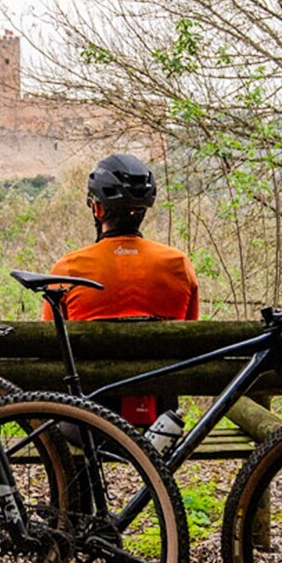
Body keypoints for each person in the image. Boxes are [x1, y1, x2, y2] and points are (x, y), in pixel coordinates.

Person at [41, 154, 199, 425]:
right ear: (144, 210)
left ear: (98, 210)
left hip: (87, 421)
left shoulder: (68, 269)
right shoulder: (178, 265)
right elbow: (189, 336)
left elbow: (50, 343)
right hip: (159, 419)